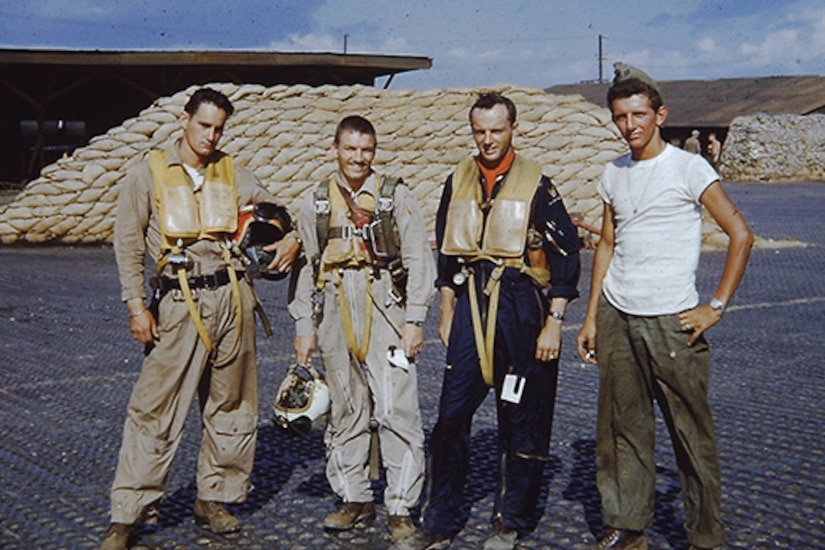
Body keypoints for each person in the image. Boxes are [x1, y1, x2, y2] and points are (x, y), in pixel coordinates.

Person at [101, 87, 301, 550]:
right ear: (185, 120)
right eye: (204, 125)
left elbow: (280, 215)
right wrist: (136, 307)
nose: (211, 136)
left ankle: (215, 499)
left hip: (233, 298)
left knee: (233, 406)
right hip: (178, 303)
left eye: (219, 128)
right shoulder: (147, 174)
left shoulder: (234, 173)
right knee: (155, 409)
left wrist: (289, 240)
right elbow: (128, 245)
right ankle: (126, 515)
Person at [576, 63, 753, 550]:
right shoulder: (613, 172)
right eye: (619, 117)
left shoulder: (688, 167)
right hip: (618, 313)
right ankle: (628, 527)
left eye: (638, 115)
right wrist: (592, 316)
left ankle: (705, 536)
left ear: (660, 115)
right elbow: (607, 245)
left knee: (690, 434)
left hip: (671, 320)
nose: (629, 126)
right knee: (622, 427)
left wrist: (714, 306)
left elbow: (741, 235)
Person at [406, 93, 581, 550]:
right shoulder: (458, 179)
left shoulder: (538, 184)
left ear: (513, 129)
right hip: (470, 305)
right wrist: (446, 311)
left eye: (496, 130)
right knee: (449, 419)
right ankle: (439, 521)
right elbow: (446, 250)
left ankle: (509, 521)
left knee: (520, 417)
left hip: (521, 309)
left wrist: (555, 321)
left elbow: (568, 255)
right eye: (479, 131)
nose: (487, 140)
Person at [288, 115, 436, 545]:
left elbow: (418, 260)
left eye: (366, 150)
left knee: (395, 409)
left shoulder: (394, 197)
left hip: (386, 308)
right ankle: (353, 497)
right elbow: (307, 269)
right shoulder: (315, 202)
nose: (358, 158)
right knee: (346, 410)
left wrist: (414, 322)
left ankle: (400, 506)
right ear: (334, 148)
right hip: (333, 310)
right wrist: (304, 327)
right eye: (350, 149)